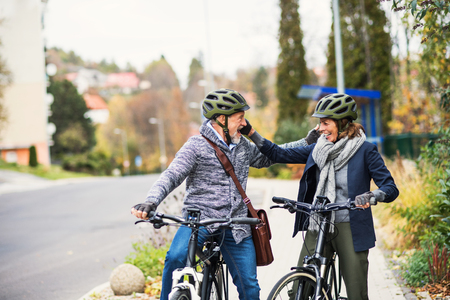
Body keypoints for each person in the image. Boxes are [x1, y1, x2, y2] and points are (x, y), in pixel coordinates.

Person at [131, 88, 314, 300]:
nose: (244, 123)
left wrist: (305, 143)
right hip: (198, 222)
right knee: (175, 258)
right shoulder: (196, 146)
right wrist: (151, 201)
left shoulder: (243, 145)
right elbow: (172, 175)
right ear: (221, 119)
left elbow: (269, 157)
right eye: (239, 118)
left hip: (235, 224)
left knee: (250, 288)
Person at [245, 93, 399, 300]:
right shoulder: (318, 149)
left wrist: (372, 196)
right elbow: (279, 153)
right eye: (320, 123)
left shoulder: (365, 151)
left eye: (325, 123)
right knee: (300, 288)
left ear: (343, 123)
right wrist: (251, 132)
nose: (320, 129)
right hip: (319, 222)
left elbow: (390, 187)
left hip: (350, 226)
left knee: (356, 292)